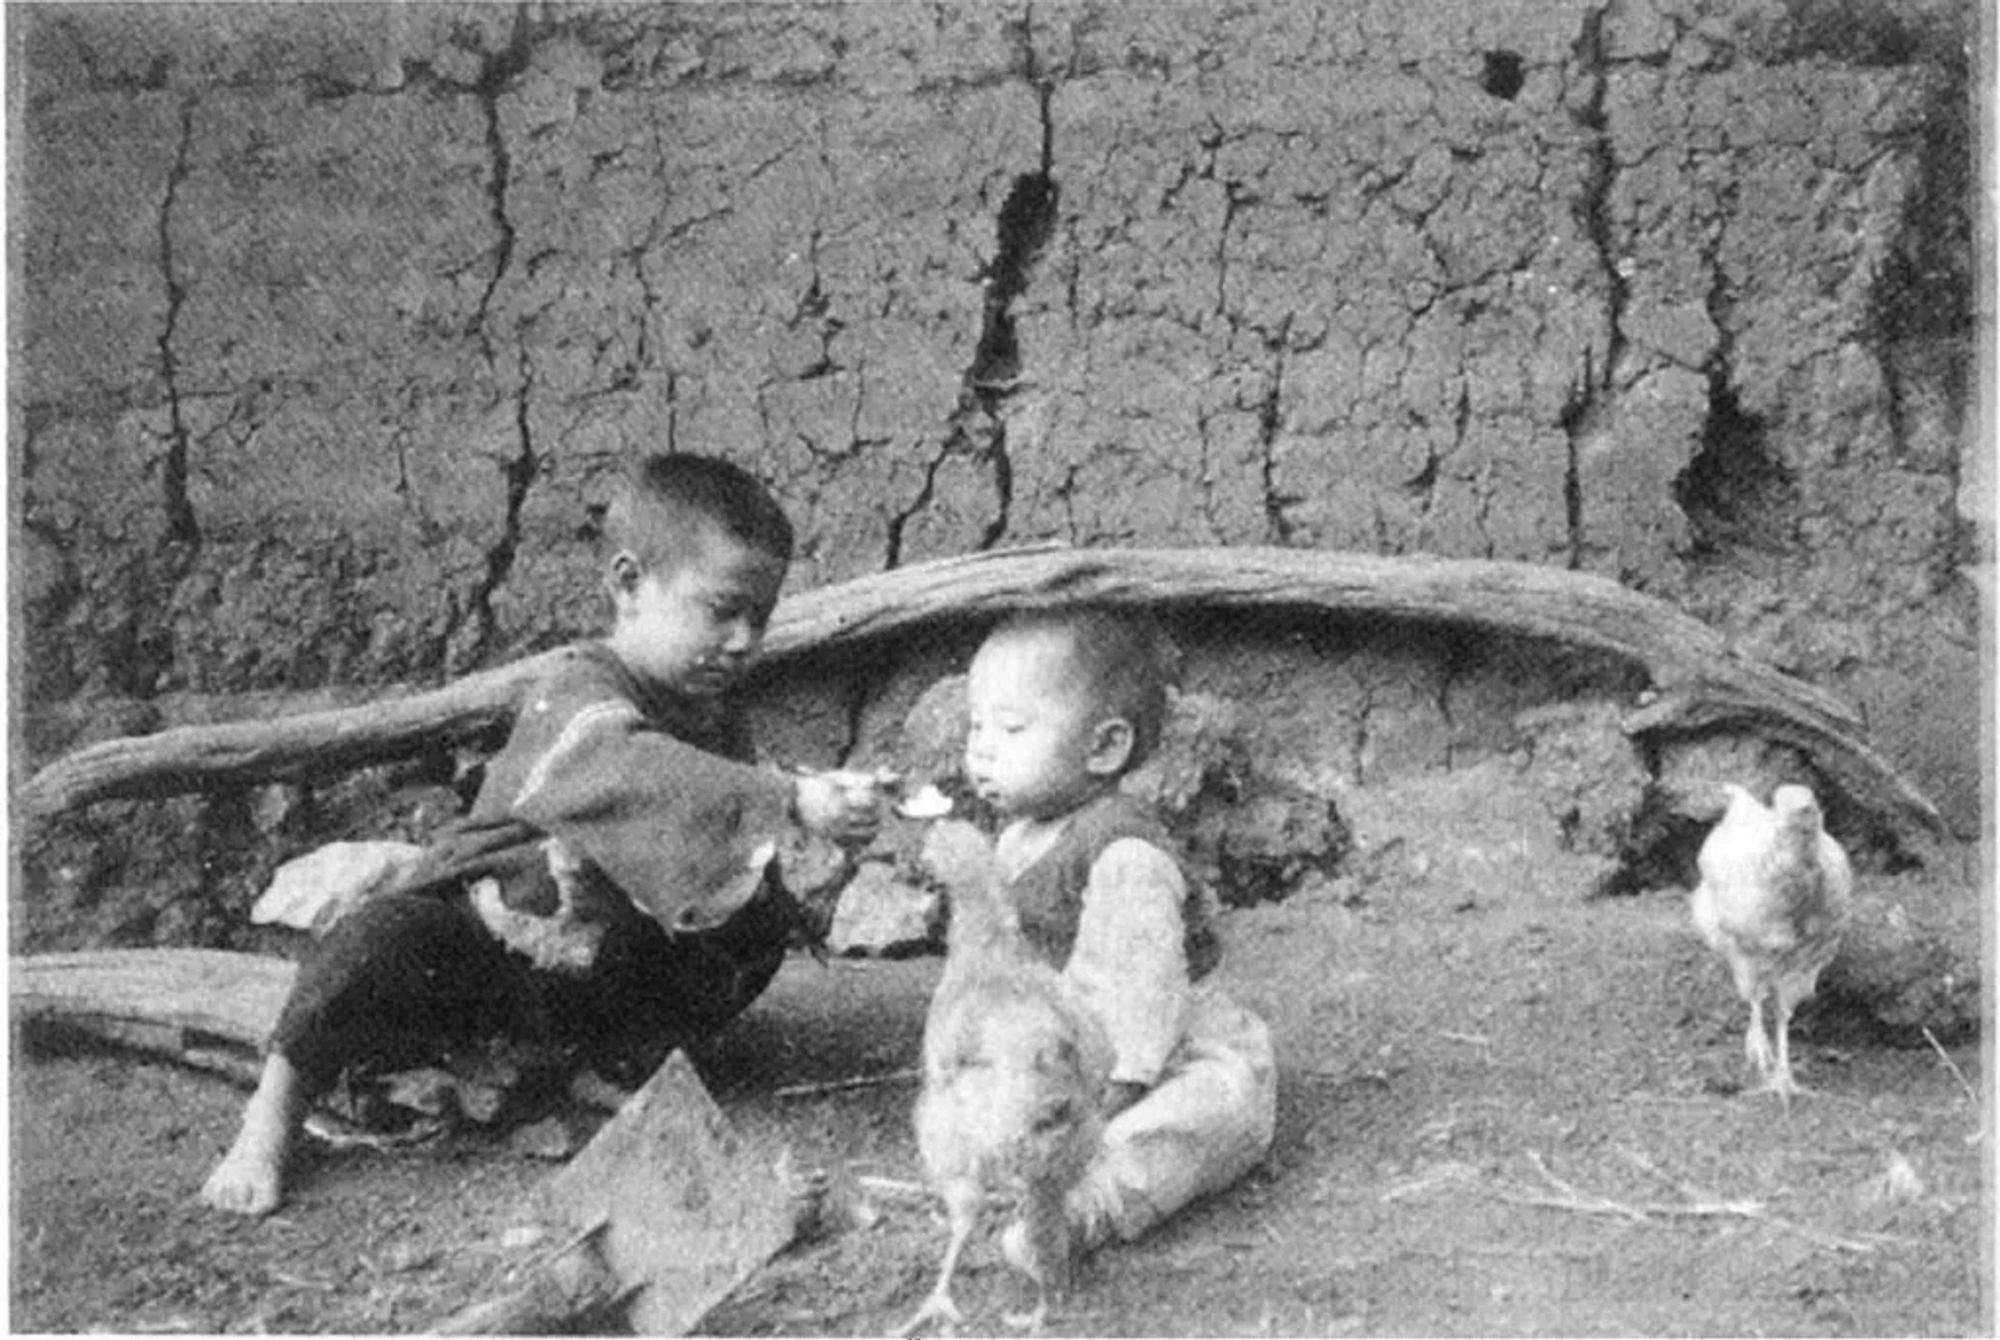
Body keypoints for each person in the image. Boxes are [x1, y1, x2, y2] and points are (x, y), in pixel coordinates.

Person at [201, 452, 885, 1216]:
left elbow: (709, 827)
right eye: (721, 610)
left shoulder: (714, 713)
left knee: (757, 924)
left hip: (596, 966)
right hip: (488, 954)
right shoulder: (578, 690)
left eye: (759, 616)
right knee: (378, 940)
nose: (742, 640)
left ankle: (580, 1061)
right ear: (628, 585)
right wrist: (788, 797)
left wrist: (812, 827)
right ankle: (272, 1112)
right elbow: (625, 768)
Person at [959, 606, 1277, 1263]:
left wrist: (1112, 1095)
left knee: (1216, 1105)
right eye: (977, 725)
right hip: (1066, 1048)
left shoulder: (1124, 852)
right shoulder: (1020, 834)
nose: (982, 749)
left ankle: (1083, 1211)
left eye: (1011, 728)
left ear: (1105, 746)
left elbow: (1140, 993)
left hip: (1158, 1048)